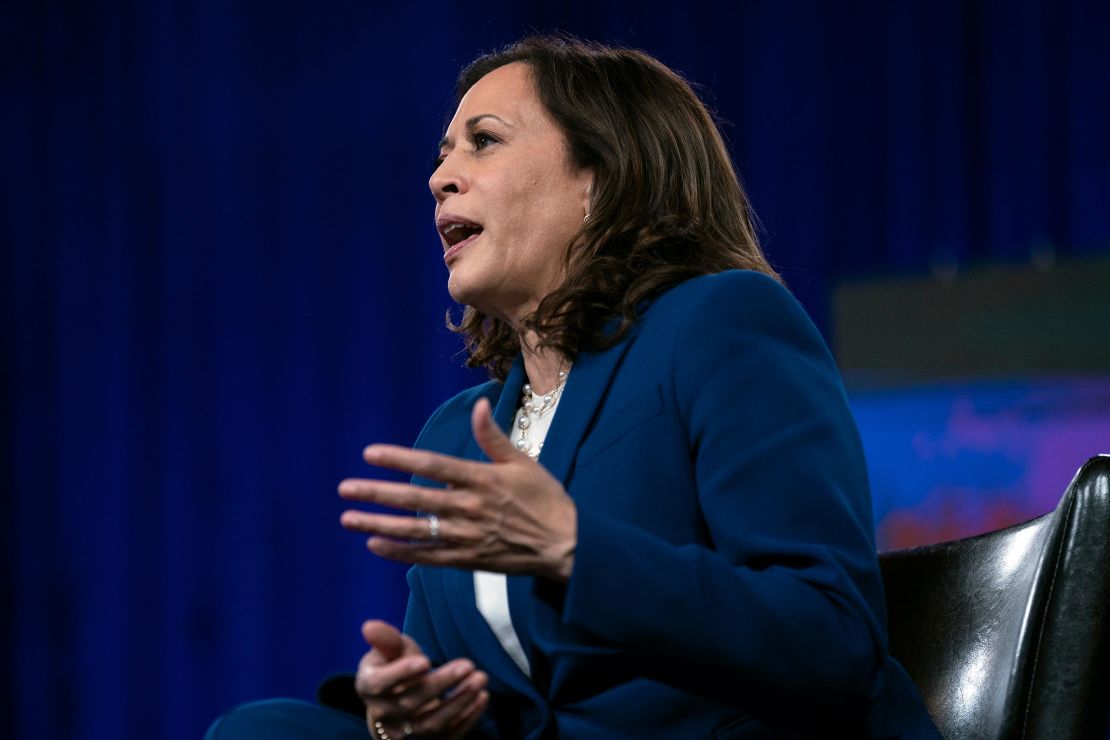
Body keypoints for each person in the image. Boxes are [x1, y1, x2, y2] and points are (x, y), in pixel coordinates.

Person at [207, 35, 938, 739]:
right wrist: (407, 715)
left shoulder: (720, 324)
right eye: (441, 156)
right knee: (260, 728)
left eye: (483, 141)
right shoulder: (460, 434)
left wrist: (574, 549)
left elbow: (831, 640)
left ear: (600, 178)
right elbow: (506, 706)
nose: (439, 177)